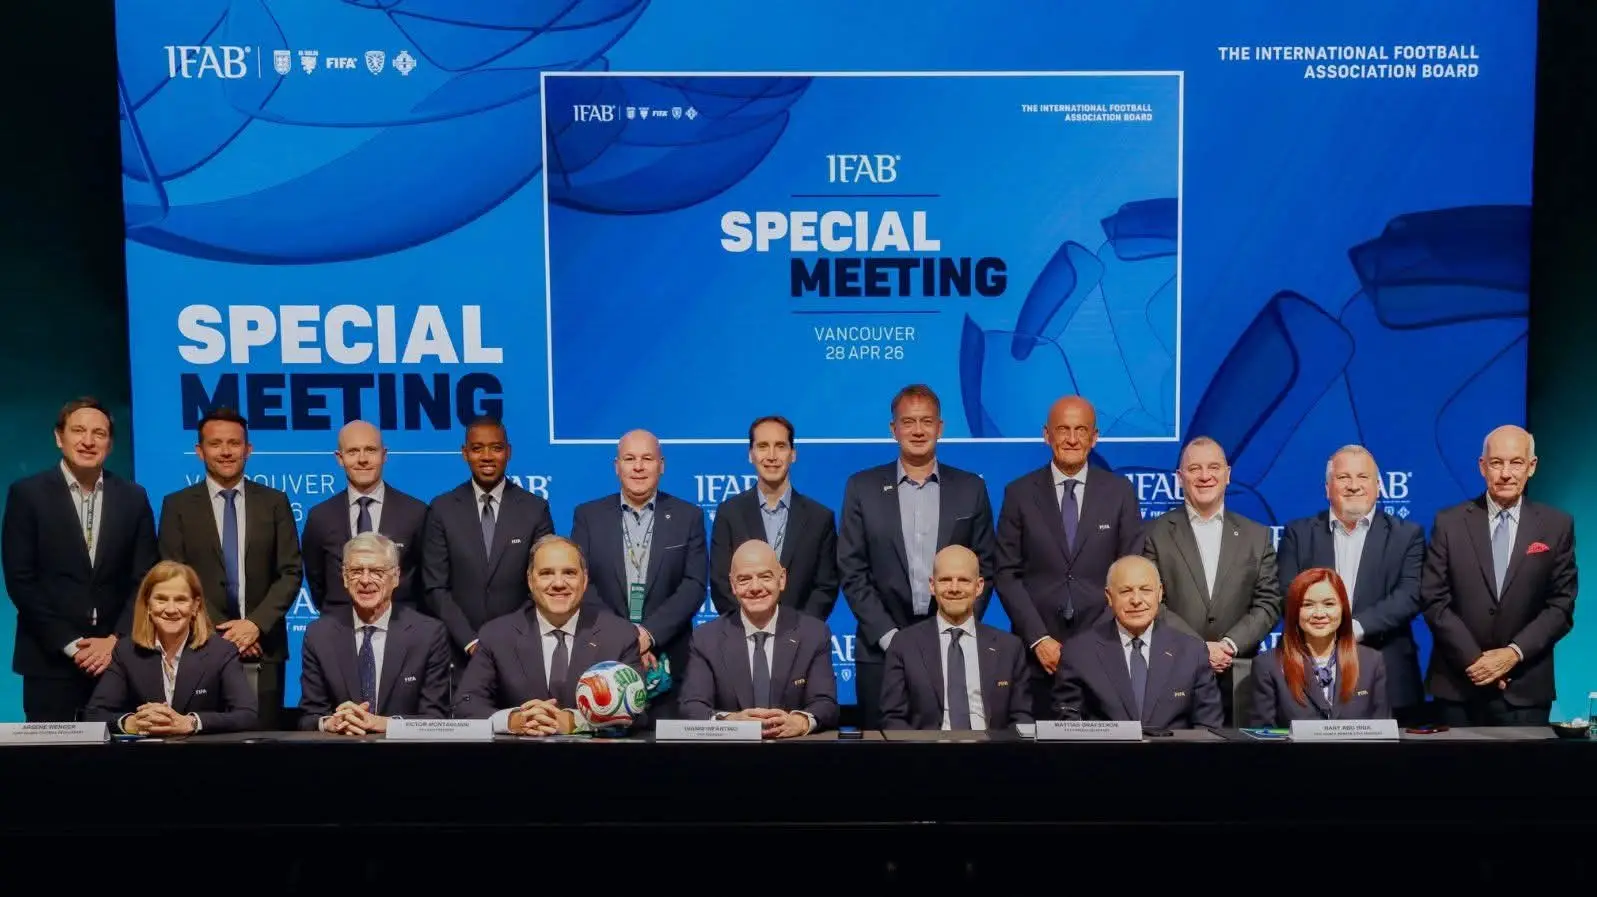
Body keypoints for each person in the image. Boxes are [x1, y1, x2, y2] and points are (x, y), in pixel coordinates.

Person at [838, 384, 997, 728]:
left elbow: (986, 564)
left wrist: (957, 625)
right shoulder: (861, 487)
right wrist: (890, 637)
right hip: (879, 650)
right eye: (908, 422)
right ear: (893, 429)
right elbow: (852, 569)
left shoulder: (971, 488)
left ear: (940, 427)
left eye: (926, 421)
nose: (918, 430)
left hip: (954, 645)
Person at [2, 397, 158, 721]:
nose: (88, 441)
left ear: (110, 444)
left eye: (99, 433)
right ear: (60, 438)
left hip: (117, 660)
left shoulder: (133, 497)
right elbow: (21, 580)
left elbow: (145, 576)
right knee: (52, 768)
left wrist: (114, 641)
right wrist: (71, 644)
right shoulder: (27, 494)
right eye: (79, 431)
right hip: (50, 661)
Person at [995, 395, 1143, 719]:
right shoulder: (1018, 493)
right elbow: (1006, 574)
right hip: (1036, 658)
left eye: (1081, 430)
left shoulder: (1120, 493)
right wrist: (1039, 639)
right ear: (1047, 435)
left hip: (1105, 652)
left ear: (1095, 437)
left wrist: (1091, 644)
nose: (1072, 439)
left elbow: (1131, 574)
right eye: (1063, 430)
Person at [1421, 425, 1576, 727]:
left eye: (1516, 462)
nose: (1506, 473)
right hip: (1458, 687)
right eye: (1496, 463)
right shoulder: (1449, 522)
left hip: (1526, 689)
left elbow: (1561, 606)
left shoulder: (1557, 526)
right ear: (1482, 467)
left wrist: (1512, 654)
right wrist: (1477, 662)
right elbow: (1434, 600)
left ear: (1531, 467)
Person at [156, 407, 301, 729]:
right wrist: (223, 633)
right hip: (198, 646)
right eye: (215, 443)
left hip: (264, 648)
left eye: (234, 443)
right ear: (199, 451)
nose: (225, 451)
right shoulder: (176, 505)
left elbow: (290, 571)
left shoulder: (274, 501)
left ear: (248, 449)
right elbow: (174, 580)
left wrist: (254, 625)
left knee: (265, 745)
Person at [1275, 445, 1425, 724]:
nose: (1354, 486)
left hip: (1389, 676)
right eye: (1343, 478)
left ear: (1378, 486)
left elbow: (1409, 596)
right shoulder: (1298, 533)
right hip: (1310, 675)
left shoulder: (1408, 535)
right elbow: (1288, 594)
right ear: (1327, 487)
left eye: (1363, 477)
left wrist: (1351, 629)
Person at [1141, 436, 1281, 725]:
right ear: (1180, 478)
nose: (1205, 476)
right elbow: (1151, 603)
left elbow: (1268, 602)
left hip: (1238, 676)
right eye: (1194, 469)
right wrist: (1201, 649)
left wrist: (1229, 644)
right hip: (1172, 675)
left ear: (1228, 474)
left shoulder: (1257, 536)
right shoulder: (1153, 533)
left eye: (1214, 467)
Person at [570, 429, 707, 717]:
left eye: (647, 458)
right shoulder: (588, 516)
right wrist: (626, 638)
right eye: (630, 458)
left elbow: (693, 585)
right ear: (616, 466)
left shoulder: (688, 516)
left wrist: (649, 634)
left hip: (670, 659)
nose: (639, 467)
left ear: (662, 465)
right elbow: (583, 584)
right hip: (603, 659)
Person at [454, 536, 644, 736]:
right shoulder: (497, 635)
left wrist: (577, 722)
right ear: (530, 580)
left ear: (585, 579)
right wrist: (514, 720)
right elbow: (466, 704)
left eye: (569, 573)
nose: (559, 583)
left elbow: (639, 712)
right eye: (546, 573)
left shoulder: (619, 635)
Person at [421, 416, 555, 672]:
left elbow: (542, 583)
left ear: (509, 452)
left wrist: (506, 639)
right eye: (477, 448)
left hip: (520, 650)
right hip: (457, 656)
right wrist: (470, 642)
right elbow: (435, 587)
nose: (487, 456)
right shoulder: (442, 509)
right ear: (464, 453)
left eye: (496, 448)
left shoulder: (535, 510)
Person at [679, 539, 838, 737]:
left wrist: (800, 721)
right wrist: (731, 721)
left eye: (765, 577)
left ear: (782, 579)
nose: (755, 587)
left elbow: (825, 703)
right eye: (744, 579)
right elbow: (692, 706)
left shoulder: (813, 633)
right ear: (733, 585)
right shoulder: (706, 638)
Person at [298, 533, 452, 734]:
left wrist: (384, 724)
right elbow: (309, 716)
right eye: (355, 571)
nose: (364, 580)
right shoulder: (319, 635)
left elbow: (435, 718)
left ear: (396, 577)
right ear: (345, 578)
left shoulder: (428, 634)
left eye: (377, 571)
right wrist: (331, 723)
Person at [84, 561, 258, 735]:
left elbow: (247, 715)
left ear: (195, 606)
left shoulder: (221, 651)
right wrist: (132, 722)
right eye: (161, 599)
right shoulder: (126, 651)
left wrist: (191, 722)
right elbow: (93, 715)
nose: (171, 609)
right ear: (148, 605)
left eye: (181, 600)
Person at [1052, 555, 1223, 729]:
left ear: (1160, 593)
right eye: (1125, 591)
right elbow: (1068, 726)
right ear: (1109, 596)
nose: (1136, 600)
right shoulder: (1079, 652)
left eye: (1145, 590)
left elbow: (1208, 728)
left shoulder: (1192, 652)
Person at [880, 545, 1033, 731]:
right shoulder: (904, 644)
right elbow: (893, 719)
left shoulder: (1009, 647)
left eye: (963, 580)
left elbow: (1022, 718)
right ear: (932, 585)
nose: (954, 588)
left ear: (979, 587)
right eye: (945, 580)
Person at [709, 415, 839, 621]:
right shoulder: (729, 513)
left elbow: (825, 587)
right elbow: (721, 583)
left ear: (793, 454)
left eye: (780, 446)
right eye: (762, 446)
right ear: (751, 454)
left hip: (800, 642)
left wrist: (796, 634)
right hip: (742, 641)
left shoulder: (819, 518)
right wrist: (752, 628)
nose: (771, 456)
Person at [302, 421, 428, 613]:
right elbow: (317, 582)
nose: (362, 459)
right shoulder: (320, 517)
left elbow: (425, 582)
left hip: (402, 629)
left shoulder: (416, 513)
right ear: (339, 458)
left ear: (384, 455)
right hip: (339, 628)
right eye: (353, 451)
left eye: (370, 450)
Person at [1250, 567, 1390, 726]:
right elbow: (1262, 740)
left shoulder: (1372, 662)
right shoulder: (1268, 666)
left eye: (1329, 604)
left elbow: (1384, 734)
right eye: (1308, 605)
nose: (1319, 613)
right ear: (1295, 611)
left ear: (1343, 609)